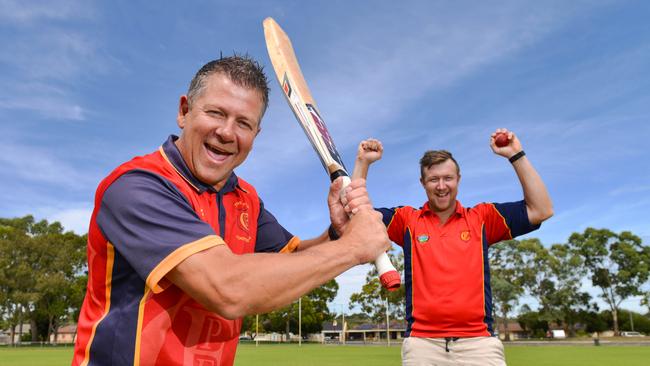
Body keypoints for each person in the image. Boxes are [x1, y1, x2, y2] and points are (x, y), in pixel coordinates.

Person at [72, 56, 390, 366]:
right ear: (184, 111)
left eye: (243, 123)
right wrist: (353, 248)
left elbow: (290, 266)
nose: (226, 132)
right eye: (216, 113)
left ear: (255, 135)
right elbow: (227, 289)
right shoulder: (137, 186)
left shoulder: (246, 198)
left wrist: (337, 233)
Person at [354, 131, 553, 366]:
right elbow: (360, 218)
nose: (441, 186)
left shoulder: (483, 217)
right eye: (433, 179)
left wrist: (515, 155)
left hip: (479, 344)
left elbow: (541, 210)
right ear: (422, 183)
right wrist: (363, 163)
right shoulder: (407, 219)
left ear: (458, 178)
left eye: (447, 178)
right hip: (422, 344)